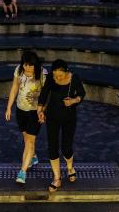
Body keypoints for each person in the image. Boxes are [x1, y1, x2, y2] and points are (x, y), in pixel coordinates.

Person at [37, 59, 86, 192]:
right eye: (55, 75)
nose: (57, 78)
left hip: (69, 117)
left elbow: (82, 93)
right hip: (52, 116)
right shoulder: (51, 79)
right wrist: (40, 110)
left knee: (66, 147)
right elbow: (44, 93)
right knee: (52, 146)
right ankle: (57, 178)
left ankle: (70, 167)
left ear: (66, 72)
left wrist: (73, 101)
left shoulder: (74, 78)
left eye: (60, 75)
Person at [5, 51, 47, 184]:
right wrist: (9, 107)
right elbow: (14, 88)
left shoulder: (43, 74)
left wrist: (43, 111)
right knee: (26, 138)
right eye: (25, 65)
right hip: (21, 110)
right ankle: (33, 157)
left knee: (29, 142)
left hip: (35, 112)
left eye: (30, 66)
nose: (27, 68)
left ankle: (22, 172)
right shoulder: (19, 70)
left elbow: (46, 95)